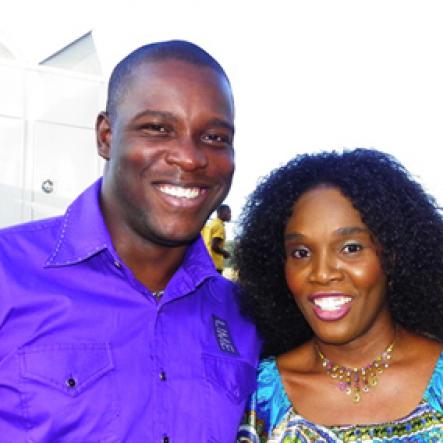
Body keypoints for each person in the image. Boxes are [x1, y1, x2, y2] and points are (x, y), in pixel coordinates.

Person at [0, 40, 260, 442]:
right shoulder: (9, 273)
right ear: (106, 136)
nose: (190, 158)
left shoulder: (245, 318)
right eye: (158, 128)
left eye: (214, 137)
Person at [235, 148, 443, 442]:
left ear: (393, 255)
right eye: (301, 252)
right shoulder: (261, 395)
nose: (321, 273)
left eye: (351, 248)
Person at [202, 204, 232, 273]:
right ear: (222, 213)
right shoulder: (219, 226)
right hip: (215, 264)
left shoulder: (209, 225)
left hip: (205, 262)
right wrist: (225, 253)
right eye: (229, 212)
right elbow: (214, 246)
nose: (230, 215)